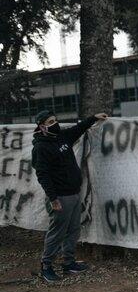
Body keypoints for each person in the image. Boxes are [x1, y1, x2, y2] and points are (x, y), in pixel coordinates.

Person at [32, 110, 108, 282]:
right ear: (42, 126)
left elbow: (79, 128)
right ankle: (46, 266)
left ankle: (69, 262)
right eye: (51, 122)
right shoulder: (41, 147)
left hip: (73, 193)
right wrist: (53, 199)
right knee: (57, 233)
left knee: (73, 230)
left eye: (55, 119)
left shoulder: (62, 137)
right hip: (60, 197)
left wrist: (93, 118)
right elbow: (42, 175)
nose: (55, 123)